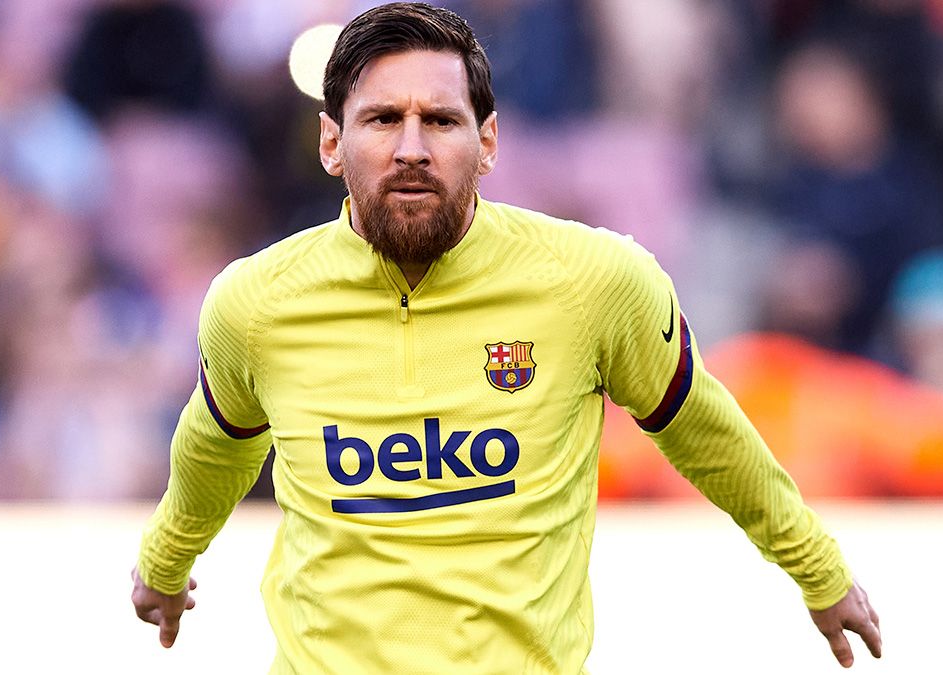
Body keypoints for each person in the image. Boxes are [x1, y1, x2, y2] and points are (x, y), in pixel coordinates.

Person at [131, 3, 882, 672]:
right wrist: (166, 561)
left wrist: (816, 567)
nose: (412, 148)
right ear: (332, 143)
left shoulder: (594, 280)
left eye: (442, 120)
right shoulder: (256, 302)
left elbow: (705, 432)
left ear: (488, 142)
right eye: (383, 119)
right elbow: (215, 444)